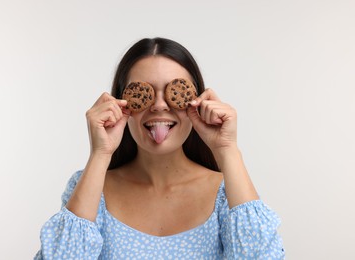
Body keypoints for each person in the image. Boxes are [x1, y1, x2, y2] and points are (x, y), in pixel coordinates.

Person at [34, 37, 285, 259]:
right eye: (146, 93)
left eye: (174, 91)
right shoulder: (91, 191)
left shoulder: (228, 193)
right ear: (121, 104)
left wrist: (227, 149)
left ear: (197, 102)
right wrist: (100, 154)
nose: (160, 105)